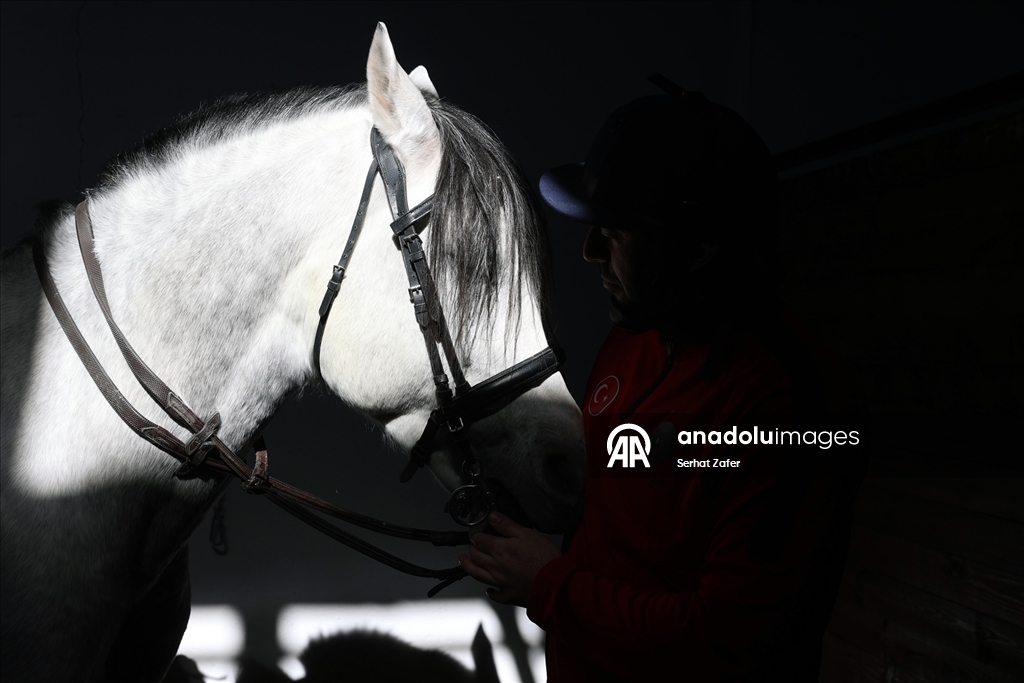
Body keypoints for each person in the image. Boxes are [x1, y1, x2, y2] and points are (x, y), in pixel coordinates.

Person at [459, 83, 865, 682]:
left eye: (616, 234)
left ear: (697, 250)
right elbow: (617, 514)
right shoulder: (635, 339)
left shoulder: (786, 405)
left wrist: (550, 585)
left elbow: (723, 639)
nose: (591, 251)